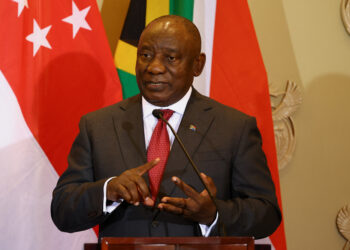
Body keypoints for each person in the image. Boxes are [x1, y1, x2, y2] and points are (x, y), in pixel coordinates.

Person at [51, 15, 281, 239]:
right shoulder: (97, 125)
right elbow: (62, 210)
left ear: (197, 64)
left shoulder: (234, 128)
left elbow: (266, 213)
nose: (154, 67)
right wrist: (108, 190)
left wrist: (213, 214)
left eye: (170, 58)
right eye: (145, 55)